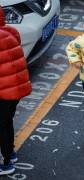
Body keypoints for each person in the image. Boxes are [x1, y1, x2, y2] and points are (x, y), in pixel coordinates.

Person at [0, 7, 32, 175]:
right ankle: (10, 153)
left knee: (2, 126)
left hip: (4, 91)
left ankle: (5, 164)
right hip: (16, 88)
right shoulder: (10, 31)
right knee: (7, 121)